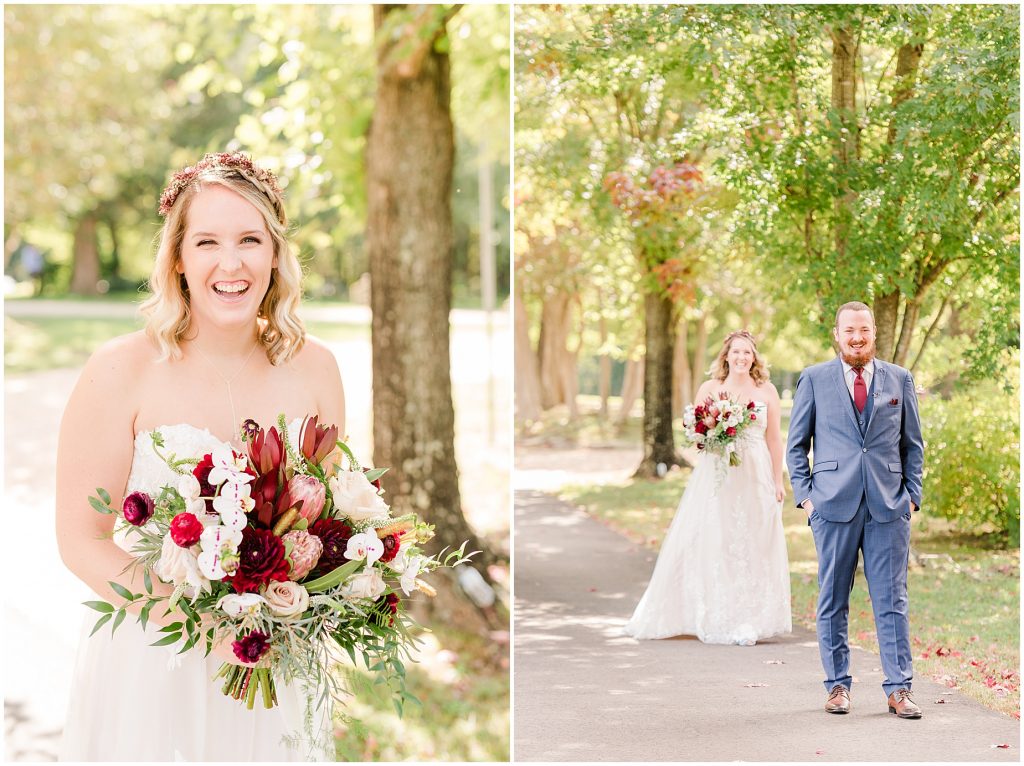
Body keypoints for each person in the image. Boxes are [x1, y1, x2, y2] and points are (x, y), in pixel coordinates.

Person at [55, 152, 345, 760]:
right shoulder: (119, 370)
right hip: (151, 662)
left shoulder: (317, 368)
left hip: (274, 661)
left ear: (275, 253)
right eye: (207, 241)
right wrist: (202, 625)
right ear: (179, 258)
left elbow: (324, 529)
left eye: (249, 239)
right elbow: (82, 539)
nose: (231, 263)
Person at [786, 301, 924, 719]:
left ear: (874, 332)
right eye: (849, 331)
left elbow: (912, 444)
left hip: (888, 507)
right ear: (837, 334)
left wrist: (911, 496)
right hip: (832, 506)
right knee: (832, 599)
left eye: (863, 330)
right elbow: (796, 447)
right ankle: (837, 687)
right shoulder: (813, 379)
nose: (857, 337)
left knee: (892, 600)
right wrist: (808, 498)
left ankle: (899, 689)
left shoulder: (899, 378)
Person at [624, 330, 792, 645]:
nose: (742, 358)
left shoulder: (766, 390)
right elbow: (697, 435)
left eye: (747, 352)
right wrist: (715, 436)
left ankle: (750, 616)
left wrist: (777, 479)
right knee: (715, 536)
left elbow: (773, 440)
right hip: (719, 473)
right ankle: (708, 610)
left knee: (752, 539)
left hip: (755, 473)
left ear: (754, 357)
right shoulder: (710, 388)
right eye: (736, 352)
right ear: (726, 356)